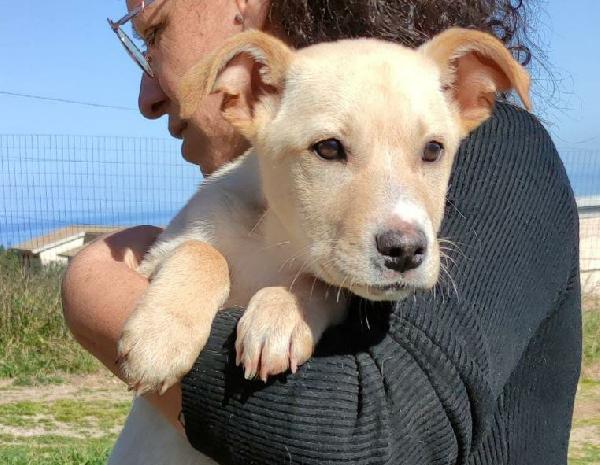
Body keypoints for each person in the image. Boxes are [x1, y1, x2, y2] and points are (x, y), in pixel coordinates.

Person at [61, 1, 582, 464]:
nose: (404, 228)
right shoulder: (251, 180)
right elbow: (190, 259)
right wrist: (201, 270)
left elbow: (376, 438)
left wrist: (93, 291)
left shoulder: (502, 154)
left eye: (155, 33)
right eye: (331, 150)